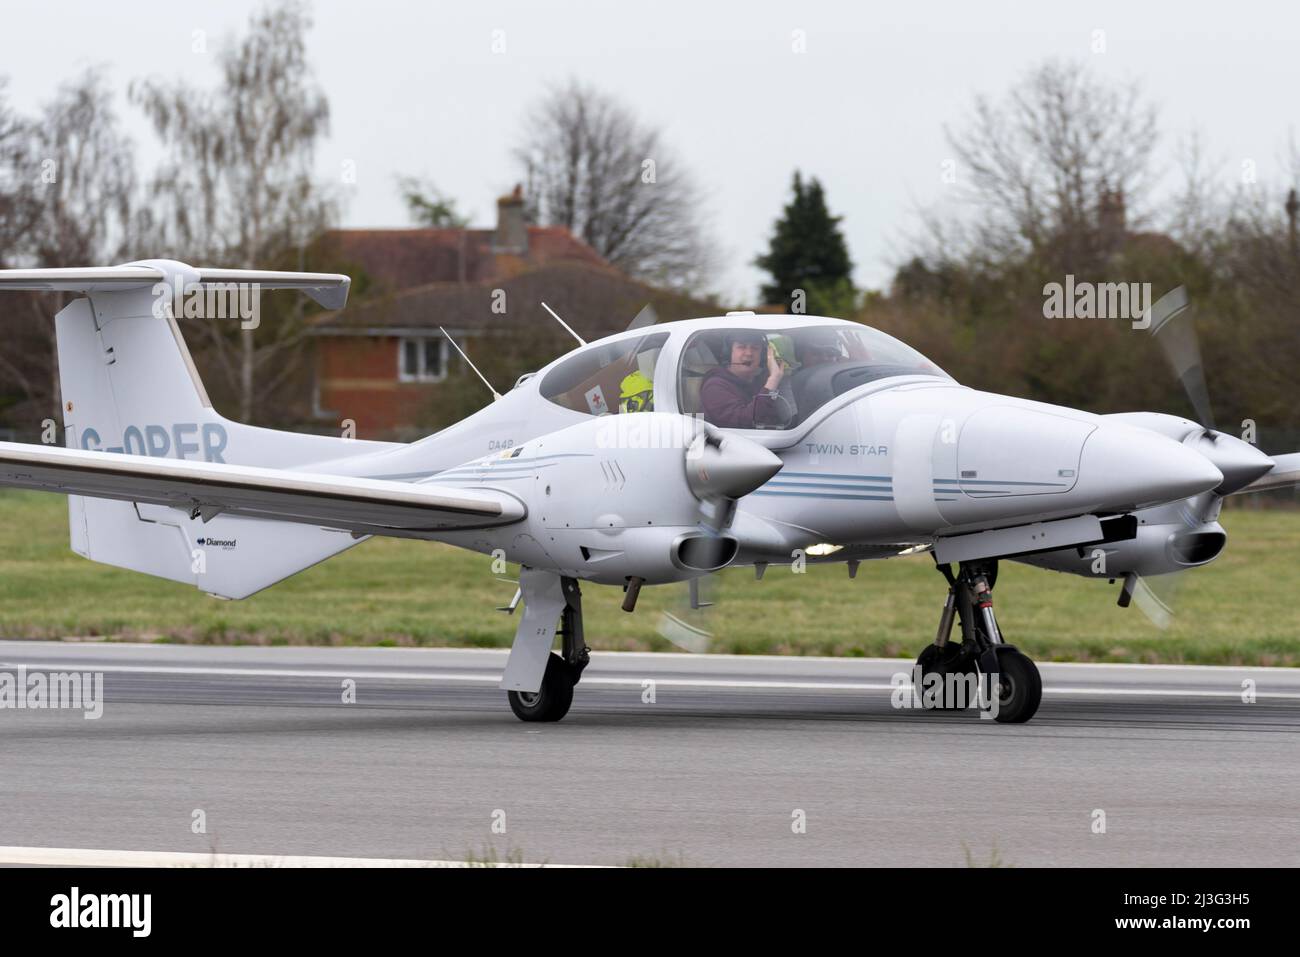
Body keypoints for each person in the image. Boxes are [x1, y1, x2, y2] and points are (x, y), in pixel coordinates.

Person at [699, 330, 790, 428]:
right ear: (729, 352)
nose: (749, 353)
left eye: (755, 348)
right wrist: (773, 380)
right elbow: (745, 423)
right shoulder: (714, 387)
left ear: (763, 355)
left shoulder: (760, 381)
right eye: (741, 347)